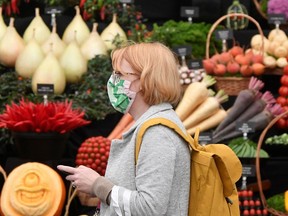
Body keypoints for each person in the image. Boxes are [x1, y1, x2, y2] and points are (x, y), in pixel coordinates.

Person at [57, 41, 191, 216]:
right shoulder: (150, 126)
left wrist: (98, 185)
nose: (113, 81)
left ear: (143, 80)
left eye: (119, 74)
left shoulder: (158, 133)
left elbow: (150, 207)